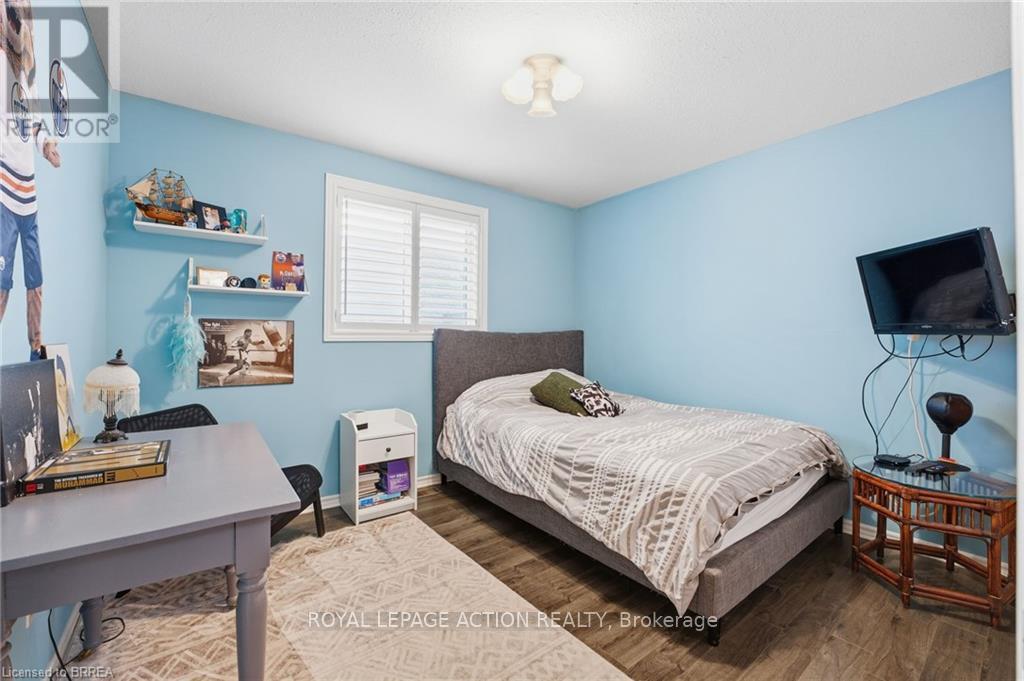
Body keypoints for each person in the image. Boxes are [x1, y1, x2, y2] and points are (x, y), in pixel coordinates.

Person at [0, 0, 62, 361]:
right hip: (5, 190)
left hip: (30, 196)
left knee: (35, 281)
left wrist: (48, 145)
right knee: (3, 280)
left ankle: (35, 349)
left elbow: (34, 123)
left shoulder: (27, 76)